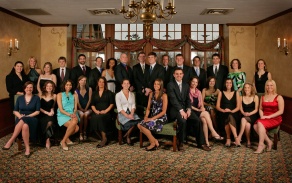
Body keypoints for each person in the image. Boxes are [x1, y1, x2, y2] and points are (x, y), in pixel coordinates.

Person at [167, 68, 211, 151]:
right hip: (175, 109)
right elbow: (173, 100)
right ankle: (181, 142)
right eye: (177, 74)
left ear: (183, 75)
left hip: (185, 108)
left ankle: (201, 143)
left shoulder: (186, 85)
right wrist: (181, 111)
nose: (179, 75)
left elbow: (188, 99)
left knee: (197, 120)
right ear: (174, 75)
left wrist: (189, 109)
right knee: (183, 120)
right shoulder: (170, 85)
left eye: (180, 74)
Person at [2, 81, 40, 158]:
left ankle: (11, 140)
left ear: (33, 89)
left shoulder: (36, 98)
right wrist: (20, 116)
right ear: (24, 88)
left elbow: (37, 111)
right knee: (25, 126)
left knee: (24, 120)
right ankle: (27, 149)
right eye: (27, 87)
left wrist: (28, 116)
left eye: (31, 87)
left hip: (32, 118)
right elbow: (15, 111)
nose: (29, 89)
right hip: (21, 118)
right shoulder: (20, 98)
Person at [189, 76, 223, 147]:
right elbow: (188, 105)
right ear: (190, 82)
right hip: (191, 111)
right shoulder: (187, 91)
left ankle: (206, 142)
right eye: (193, 82)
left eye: (196, 82)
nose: (194, 83)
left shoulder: (198, 91)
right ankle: (213, 132)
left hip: (199, 110)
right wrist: (199, 109)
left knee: (204, 120)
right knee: (206, 113)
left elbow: (201, 102)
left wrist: (202, 107)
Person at [253, 80, 284, 154]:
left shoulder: (279, 97)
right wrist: (262, 116)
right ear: (265, 87)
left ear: (274, 87)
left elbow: (281, 111)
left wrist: (269, 117)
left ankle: (261, 145)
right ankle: (269, 142)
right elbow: (260, 109)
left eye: (271, 85)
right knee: (254, 126)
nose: (269, 87)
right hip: (264, 117)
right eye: (267, 85)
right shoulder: (263, 96)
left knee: (259, 124)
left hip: (275, 118)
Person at [138, 79, 168, 151]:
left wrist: (151, 119)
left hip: (161, 117)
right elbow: (148, 108)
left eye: (158, 84)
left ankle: (152, 143)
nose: (156, 85)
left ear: (160, 86)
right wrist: (146, 116)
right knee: (139, 124)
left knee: (143, 125)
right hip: (152, 116)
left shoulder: (164, 95)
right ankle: (155, 141)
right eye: (155, 84)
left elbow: (163, 112)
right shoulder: (151, 94)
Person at [90, 77, 115, 148]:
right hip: (97, 112)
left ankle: (104, 138)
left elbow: (111, 104)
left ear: (105, 84)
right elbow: (92, 104)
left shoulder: (109, 93)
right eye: (100, 82)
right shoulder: (94, 93)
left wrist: (105, 111)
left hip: (107, 112)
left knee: (101, 118)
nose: (101, 83)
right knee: (94, 117)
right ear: (98, 83)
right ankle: (101, 137)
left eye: (103, 82)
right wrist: (96, 111)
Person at [216, 78, 241, 147]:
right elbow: (217, 106)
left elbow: (238, 107)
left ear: (232, 84)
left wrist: (231, 111)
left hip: (234, 113)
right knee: (228, 116)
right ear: (225, 84)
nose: (228, 84)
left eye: (230, 83)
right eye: (227, 82)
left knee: (229, 116)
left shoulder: (236, 93)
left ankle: (229, 138)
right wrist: (223, 110)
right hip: (223, 113)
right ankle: (236, 139)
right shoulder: (221, 92)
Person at [115, 79, 140, 146]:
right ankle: (128, 137)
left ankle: (126, 136)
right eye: (124, 83)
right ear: (122, 85)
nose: (126, 85)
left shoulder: (132, 94)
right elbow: (119, 108)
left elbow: (133, 105)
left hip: (131, 112)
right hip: (122, 113)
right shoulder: (118, 95)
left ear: (129, 85)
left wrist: (131, 114)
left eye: (128, 83)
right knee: (133, 123)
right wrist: (127, 115)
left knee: (139, 121)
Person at [57, 80, 80, 151]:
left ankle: (63, 140)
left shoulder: (75, 95)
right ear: (64, 85)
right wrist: (69, 115)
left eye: (70, 85)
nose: (68, 86)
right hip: (63, 114)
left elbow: (75, 108)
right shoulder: (59, 95)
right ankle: (64, 141)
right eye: (67, 85)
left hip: (73, 113)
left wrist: (73, 113)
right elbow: (61, 109)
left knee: (77, 127)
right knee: (75, 127)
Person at [238, 83, 259, 148]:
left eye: (248, 88)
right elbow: (240, 108)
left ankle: (239, 137)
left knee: (243, 119)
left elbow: (256, 109)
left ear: (251, 89)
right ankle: (248, 141)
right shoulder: (241, 97)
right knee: (247, 124)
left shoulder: (255, 97)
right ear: (243, 89)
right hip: (244, 114)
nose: (246, 89)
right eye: (245, 88)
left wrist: (250, 113)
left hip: (253, 115)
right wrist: (244, 113)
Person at [39, 81, 57, 149]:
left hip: (50, 113)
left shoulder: (55, 95)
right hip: (42, 113)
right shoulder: (40, 94)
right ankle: (47, 139)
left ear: (53, 87)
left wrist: (52, 110)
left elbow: (53, 106)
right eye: (47, 86)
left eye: (51, 86)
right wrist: (46, 113)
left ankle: (47, 139)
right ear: (45, 87)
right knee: (45, 121)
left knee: (50, 122)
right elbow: (38, 107)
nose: (49, 87)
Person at [75, 76, 92, 141]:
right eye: (82, 80)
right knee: (82, 115)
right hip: (79, 109)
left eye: (85, 80)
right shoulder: (76, 91)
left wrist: (86, 108)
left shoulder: (89, 89)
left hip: (88, 108)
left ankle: (85, 132)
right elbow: (77, 102)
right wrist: (81, 109)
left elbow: (89, 100)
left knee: (86, 114)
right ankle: (80, 133)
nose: (83, 82)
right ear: (79, 81)